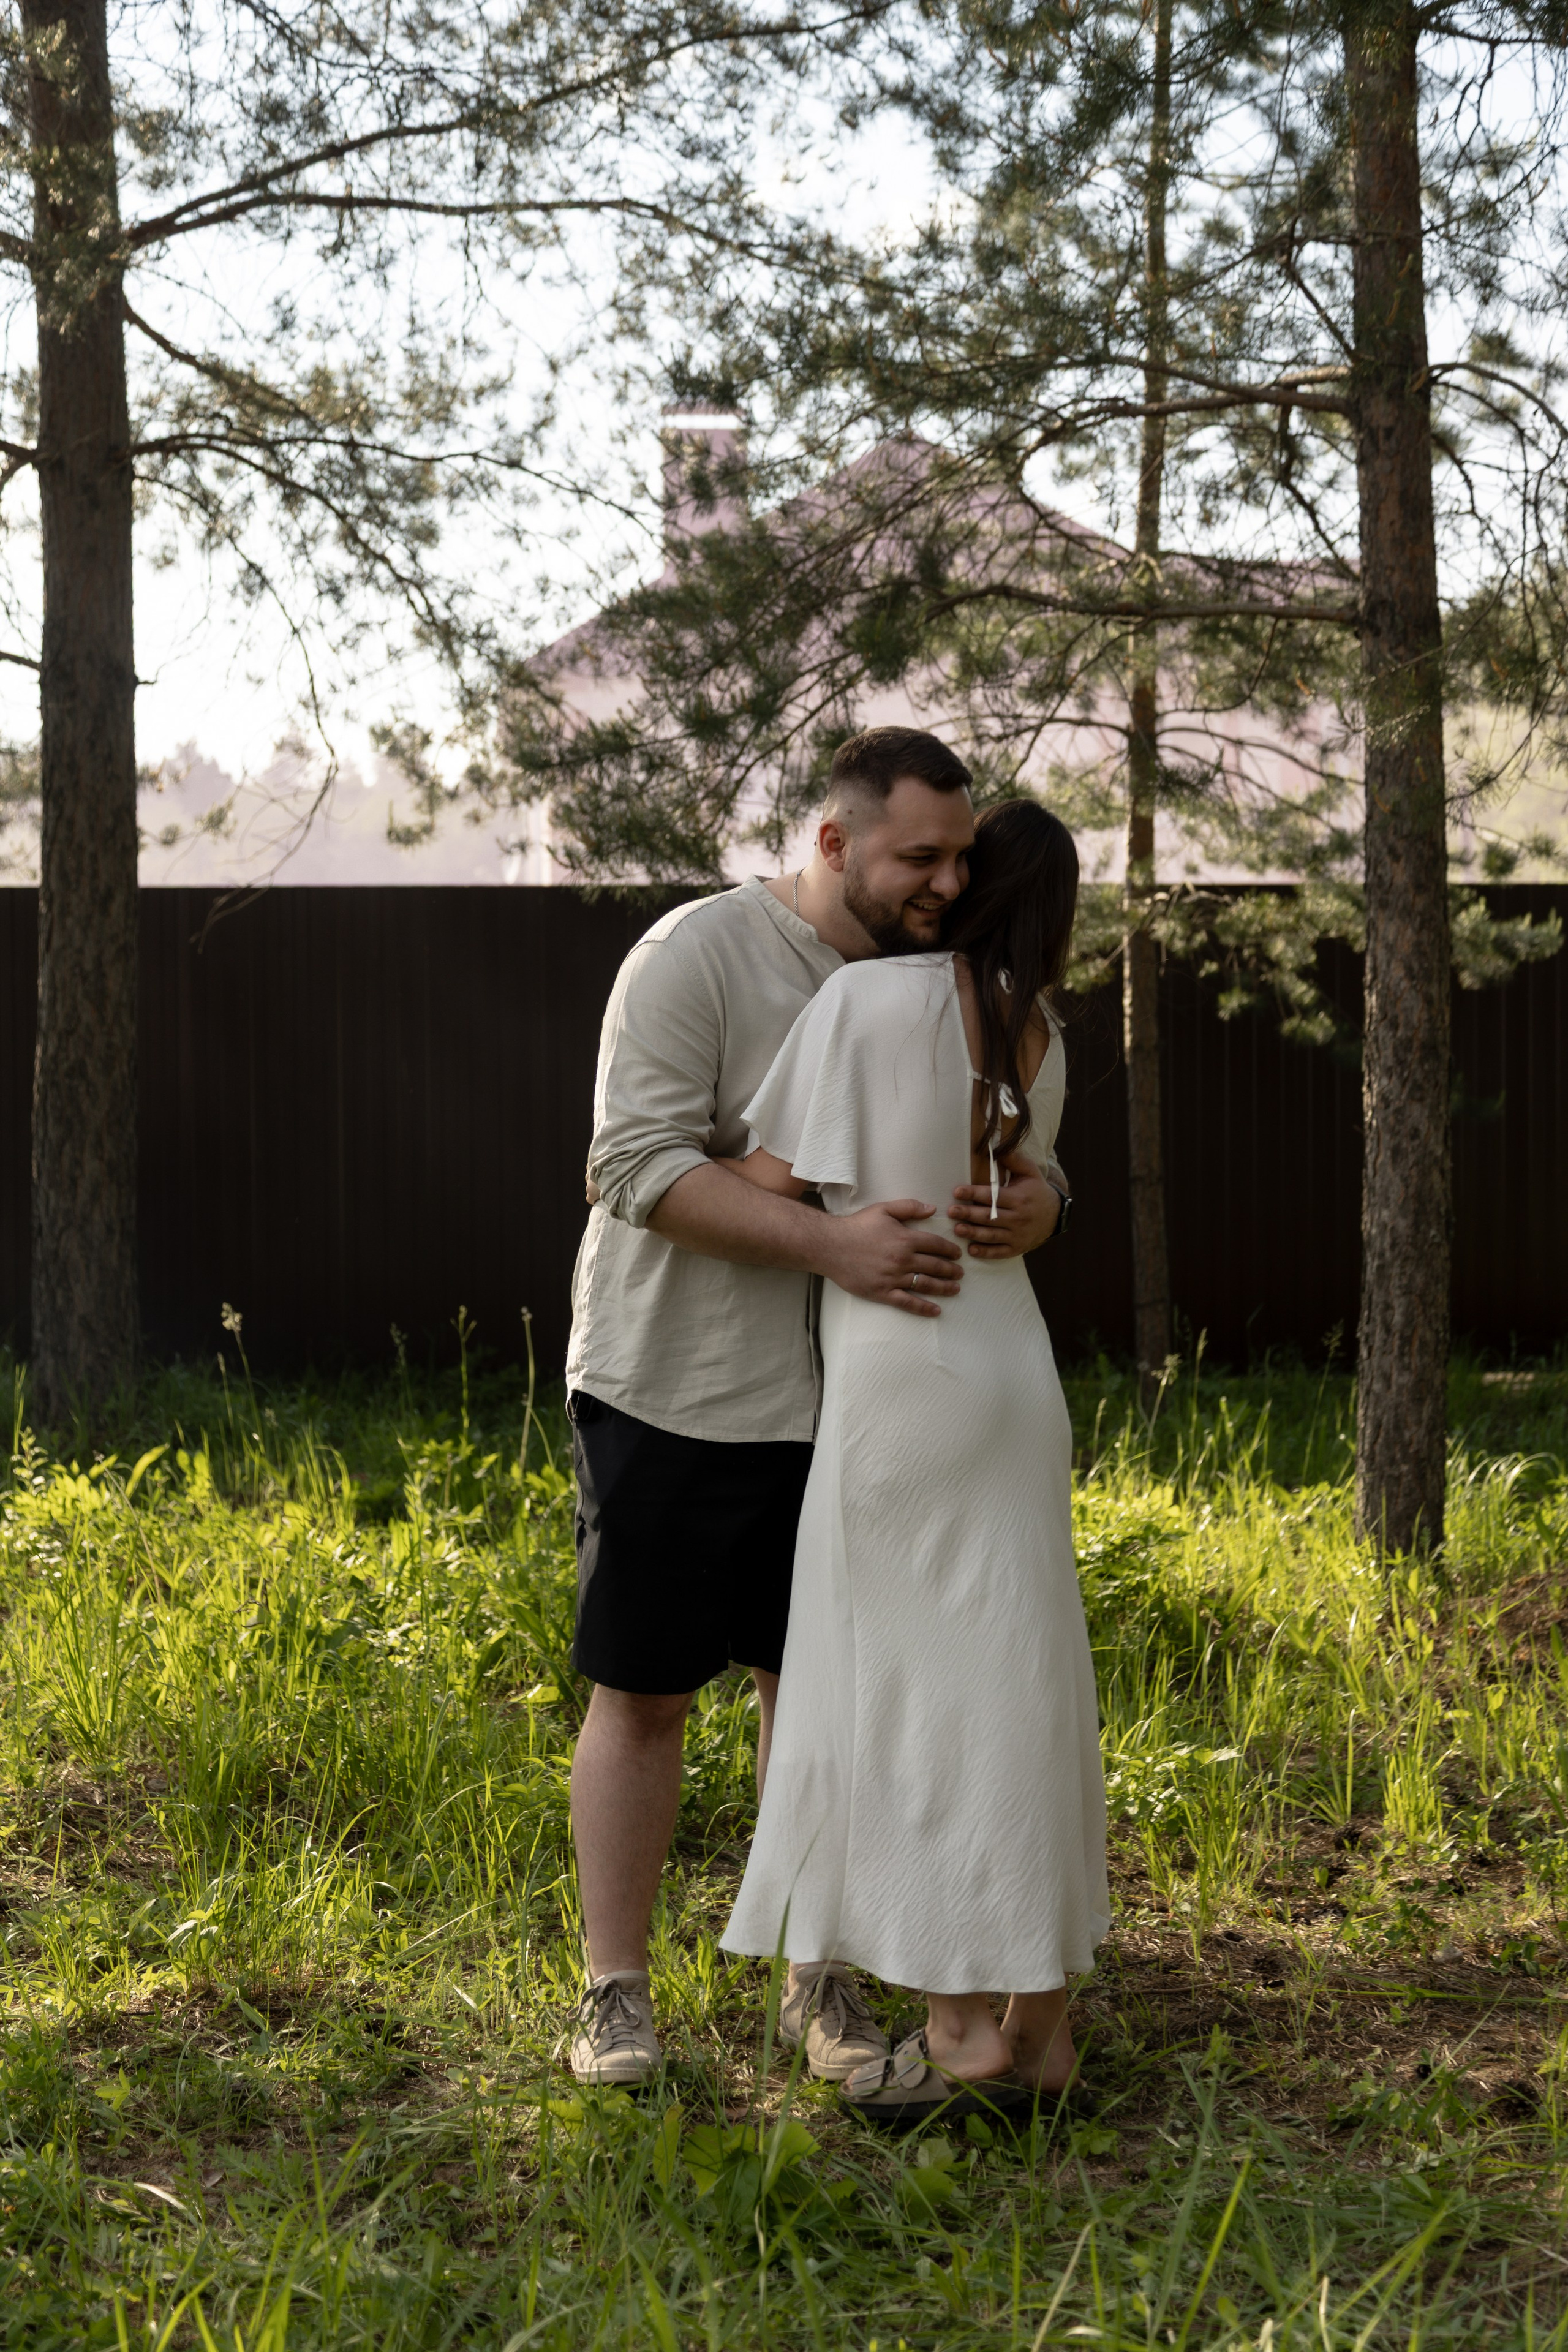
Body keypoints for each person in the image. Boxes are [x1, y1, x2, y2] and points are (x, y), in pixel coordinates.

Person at [564, 729, 1070, 2087]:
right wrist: (831, 1247)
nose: (950, 880)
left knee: (831, 1691)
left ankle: (821, 1981)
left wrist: (1042, 1197)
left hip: (855, 1413)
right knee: (644, 1691)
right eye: (920, 855)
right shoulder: (694, 957)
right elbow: (633, 1163)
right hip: (679, 1383)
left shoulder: (936, 983)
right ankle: (616, 1994)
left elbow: (1014, 1140)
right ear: (833, 842)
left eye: (964, 856)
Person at [719, 798, 1108, 2121]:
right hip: (1010, 1377)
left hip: (899, 1383)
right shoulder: (1042, 1037)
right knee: (1024, 1681)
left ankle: (956, 2029)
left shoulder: (870, 999)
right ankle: (1042, 2029)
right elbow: (1029, 1187)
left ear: (972, 886)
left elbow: (764, 1184)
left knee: (912, 1699)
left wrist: (824, 1201)